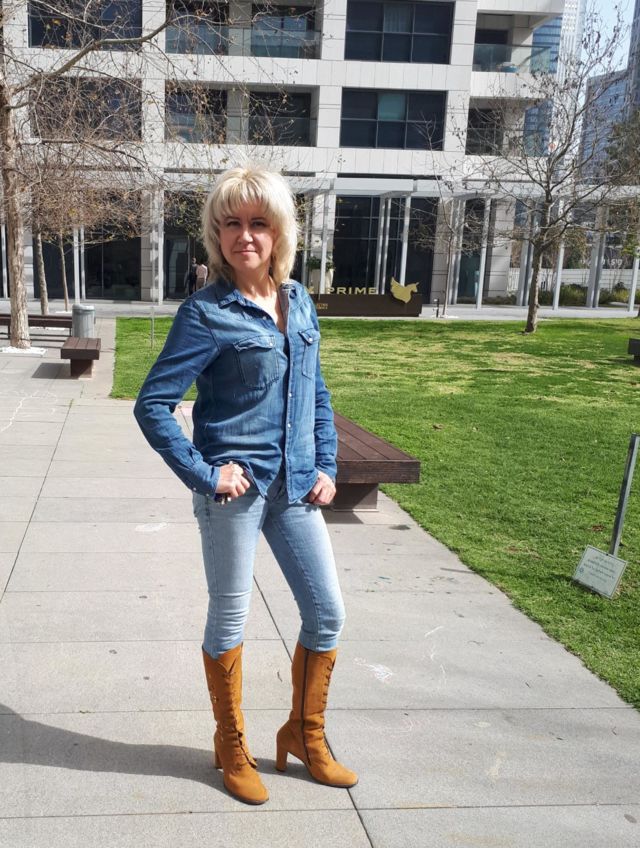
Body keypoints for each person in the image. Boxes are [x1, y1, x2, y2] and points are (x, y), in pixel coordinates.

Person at [133, 164, 357, 805]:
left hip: (295, 488)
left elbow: (316, 391)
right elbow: (153, 405)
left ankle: (305, 734)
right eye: (231, 223)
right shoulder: (205, 313)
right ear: (216, 234)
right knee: (231, 614)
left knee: (327, 613)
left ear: (280, 231)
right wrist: (205, 473)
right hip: (235, 493)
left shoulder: (300, 301)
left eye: (259, 222)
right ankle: (230, 743)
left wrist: (326, 465)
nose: (245, 235)